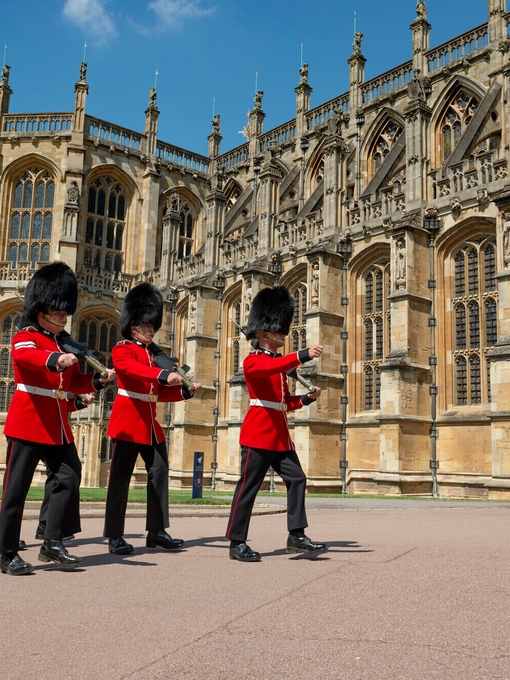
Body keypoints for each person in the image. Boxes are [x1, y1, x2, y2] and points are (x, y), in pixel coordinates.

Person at [0, 262, 115, 575]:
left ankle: (52, 542)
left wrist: (97, 381)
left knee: (69, 475)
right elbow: (25, 356)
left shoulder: (64, 342)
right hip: (28, 420)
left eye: (66, 312)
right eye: (60, 312)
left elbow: (75, 382)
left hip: (57, 426)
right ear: (43, 312)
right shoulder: (27, 335)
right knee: (15, 490)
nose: (65, 317)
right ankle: (5, 551)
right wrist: (55, 359)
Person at [226, 285, 327, 562]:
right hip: (258, 434)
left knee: (297, 479)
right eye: (278, 331)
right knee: (248, 487)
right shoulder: (253, 362)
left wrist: (305, 399)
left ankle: (296, 535)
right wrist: (303, 354)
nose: (282, 335)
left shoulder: (277, 365)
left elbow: (282, 404)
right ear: (263, 333)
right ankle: (237, 542)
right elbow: (273, 368)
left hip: (279, 436)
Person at [104, 282, 201, 555]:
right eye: (147, 326)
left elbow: (156, 394)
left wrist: (184, 390)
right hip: (127, 423)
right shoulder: (123, 349)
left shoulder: (153, 356)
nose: (151, 330)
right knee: (120, 480)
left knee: (159, 473)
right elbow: (130, 370)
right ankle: (114, 535)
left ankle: (157, 531)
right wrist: (162, 374)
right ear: (133, 325)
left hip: (150, 425)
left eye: (152, 326)